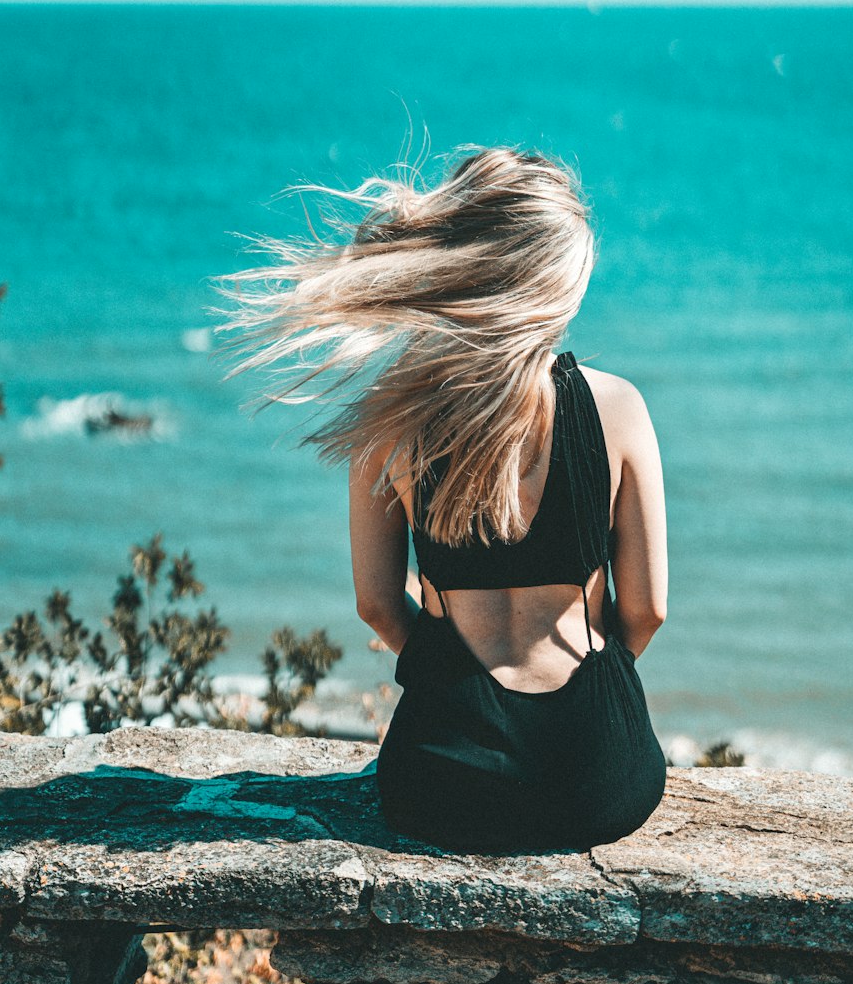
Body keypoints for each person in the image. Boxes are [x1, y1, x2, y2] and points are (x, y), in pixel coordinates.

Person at [216, 145, 667, 852]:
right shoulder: (619, 407)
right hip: (595, 775)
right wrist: (595, 697)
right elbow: (647, 609)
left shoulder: (391, 418)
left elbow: (376, 603)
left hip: (445, 777)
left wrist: (450, 676)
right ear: (552, 282)